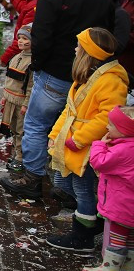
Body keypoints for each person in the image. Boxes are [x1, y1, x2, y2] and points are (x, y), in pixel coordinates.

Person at [1, 0, 116, 200]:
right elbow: (107, 33)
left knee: (37, 124)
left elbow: (41, 38)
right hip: (90, 76)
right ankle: (66, 186)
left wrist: (38, 66)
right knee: (74, 128)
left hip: (55, 73)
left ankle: (32, 177)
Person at [43, 28, 127, 254]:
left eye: (79, 46)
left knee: (82, 188)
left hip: (88, 145)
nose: (75, 49)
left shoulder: (111, 81)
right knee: (63, 182)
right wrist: (54, 135)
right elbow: (69, 111)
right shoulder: (86, 77)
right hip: (71, 139)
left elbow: (108, 116)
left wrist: (79, 139)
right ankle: (94, 216)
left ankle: (83, 235)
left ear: (88, 52)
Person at [80, 105, 134, 271]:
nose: (107, 128)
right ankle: (129, 267)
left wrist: (99, 144)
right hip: (130, 204)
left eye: (111, 125)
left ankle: (110, 269)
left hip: (121, 203)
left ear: (123, 130)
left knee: (117, 235)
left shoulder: (123, 150)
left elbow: (99, 162)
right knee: (130, 235)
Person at [0, 25, 34, 174]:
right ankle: (16, 154)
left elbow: (30, 86)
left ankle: (20, 157)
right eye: (19, 38)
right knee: (12, 128)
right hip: (10, 100)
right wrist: (4, 96)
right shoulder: (16, 57)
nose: (21, 41)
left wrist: (26, 104)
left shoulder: (31, 62)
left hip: (20, 102)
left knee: (21, 130)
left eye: (25, 38)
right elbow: (9, 80)